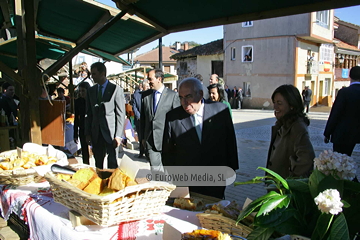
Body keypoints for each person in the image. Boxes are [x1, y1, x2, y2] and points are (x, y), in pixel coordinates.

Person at [162, 78, 238, 199]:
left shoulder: (220, 110)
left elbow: (230, 142)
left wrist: (232, 168)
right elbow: (167, 151)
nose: (184, 102)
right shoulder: (173, 117)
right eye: (181, 98)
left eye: (188, 96)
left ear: (200, 94)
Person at [267, 84, 315, 179]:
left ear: (291, 105)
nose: (275, 107)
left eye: (279, 103)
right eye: (274, 102)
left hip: (284, 189)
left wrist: (291, 182)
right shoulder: (282, 124)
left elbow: (306, 160)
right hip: (277, 185)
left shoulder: (297, 127)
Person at [85, 62, 125, 169]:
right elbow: (88, 114)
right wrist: (87, 133)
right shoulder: (91, 91)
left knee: (112, 163)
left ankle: (111, 184)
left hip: (111, 134)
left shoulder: (116, 90)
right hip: (96, 133)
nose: (92, 77)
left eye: (94, 74)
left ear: (102, 73)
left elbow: (120, 114)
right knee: (98, 162)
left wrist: (118, 135)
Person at [140, 69, 180, 173]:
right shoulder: (145, 96)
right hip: (151, 141)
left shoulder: (172, 95)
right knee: (156, 173)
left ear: (159, 79)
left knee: (168, 173)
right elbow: (143, 118)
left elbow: (177, 120)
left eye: (150, 79)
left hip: (167, 141)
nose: (148, 81)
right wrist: (143, 138)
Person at [324, 66, 360, 157]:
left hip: (341, 133)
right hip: (356, 133)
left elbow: (335, 114)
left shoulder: (344, 92)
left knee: (338, 159)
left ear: (350, 76)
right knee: (348, 155)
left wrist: (327, 133)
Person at [74, 82, 90, 164]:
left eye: (83, 91)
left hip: (92, 128)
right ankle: (86, 166)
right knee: (84, 150)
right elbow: (76, 117)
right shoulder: (78, 102)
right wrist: (75, 133)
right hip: (82, 127)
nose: (81, 93)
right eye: (80, 91)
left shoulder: (92, 101)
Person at [132, 83, 145, 158]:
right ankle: (141, 152)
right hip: (139, 120)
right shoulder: (136, 95)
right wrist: (139, 117)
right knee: (140, 136)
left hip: (148, 120)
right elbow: (134, 107)